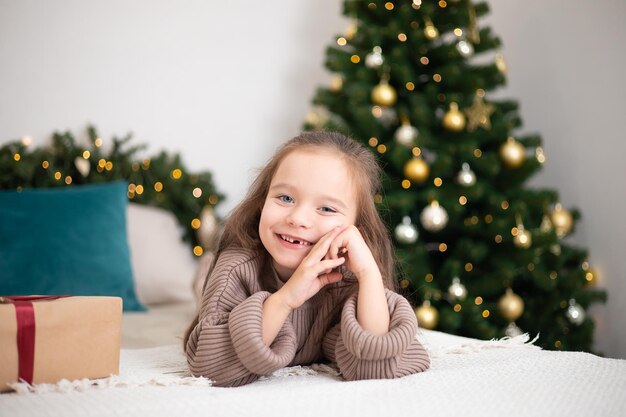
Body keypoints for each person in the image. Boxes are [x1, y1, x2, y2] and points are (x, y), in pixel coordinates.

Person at [184, 131, 430, 387]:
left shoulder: (347, 278)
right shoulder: (236, 269)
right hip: (223, 275)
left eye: (326, 208)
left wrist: (369, 274)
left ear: (356, 229)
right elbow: (209, 365)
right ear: (261, 204)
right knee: (205, 280)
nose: (297, 219)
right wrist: (287, 297)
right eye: (285, 198)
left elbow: (380, 362)